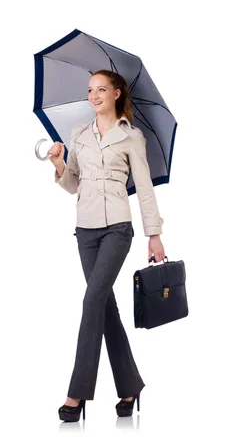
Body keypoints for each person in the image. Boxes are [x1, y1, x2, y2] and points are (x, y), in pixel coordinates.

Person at [48, 70, 166, 422]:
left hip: (117, 229)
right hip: (85, 231)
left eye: (101, 89)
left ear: (116, 94)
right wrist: (58, 164)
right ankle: (130, 386)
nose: (94, 95)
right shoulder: (78, 135)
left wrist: (154, 233)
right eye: (90, 90)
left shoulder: (132, 137)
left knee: (91, 299)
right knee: (104, 307)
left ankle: (77, 393)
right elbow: (72, 184)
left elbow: (144, 188)